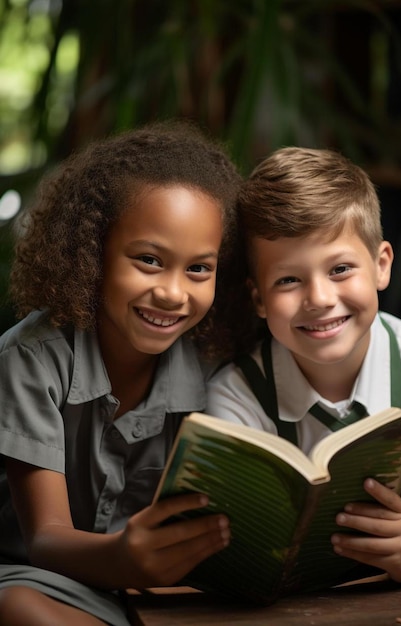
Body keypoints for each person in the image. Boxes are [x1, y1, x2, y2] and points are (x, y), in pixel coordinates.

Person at [0, 121, 242, 625]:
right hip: (42, 580)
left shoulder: (212, 369)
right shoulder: (31, 359)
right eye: (149, 260)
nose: (174, 293)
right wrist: (124, 557)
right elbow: (45, 539)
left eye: (199, 268)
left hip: (164, 597)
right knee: (18, 609)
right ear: (92, 254)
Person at [207, 146, 401, 587]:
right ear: (258, 298)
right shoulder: (237, 395)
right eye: (288, 279)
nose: (320, 299)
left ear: (381, 265)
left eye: (341, 269)